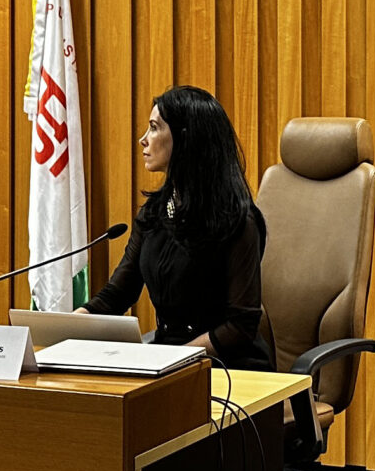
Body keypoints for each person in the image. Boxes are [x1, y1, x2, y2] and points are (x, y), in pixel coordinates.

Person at [91, 85, 272, 369]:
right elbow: (118, 294)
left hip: (231, 369)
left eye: (153, 128)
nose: (143, 140)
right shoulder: (153, 214)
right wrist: (64, 326)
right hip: (167, 365)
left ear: (185, 139)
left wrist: (175, 360)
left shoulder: (238, 221)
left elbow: (241, 325)